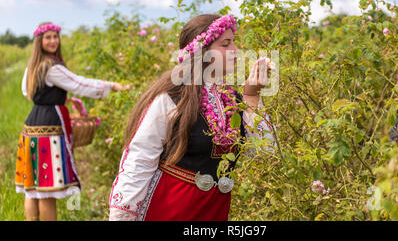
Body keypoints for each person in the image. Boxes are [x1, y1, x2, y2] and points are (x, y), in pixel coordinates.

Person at [109, 14, 276, 221]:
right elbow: (139, 160)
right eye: (226, 44)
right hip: (169, 210)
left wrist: (252, 96)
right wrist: (121, 216)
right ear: (202, 52)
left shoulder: (235, 101)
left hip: (213, 212)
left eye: (234, 42)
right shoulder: (172, 99)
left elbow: (266, 153)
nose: (235, 50)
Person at [15, 22, 123, 221]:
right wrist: (112, 86)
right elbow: (80, 84)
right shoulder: (52, 67)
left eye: (55, 37)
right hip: (48, 129)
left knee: (32, 188)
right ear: (40, 41)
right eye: (48, 37)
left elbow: (26, 91)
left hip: (31, 126)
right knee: (46, 192)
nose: (53, 41)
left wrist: (50, 97)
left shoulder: (33, 65)